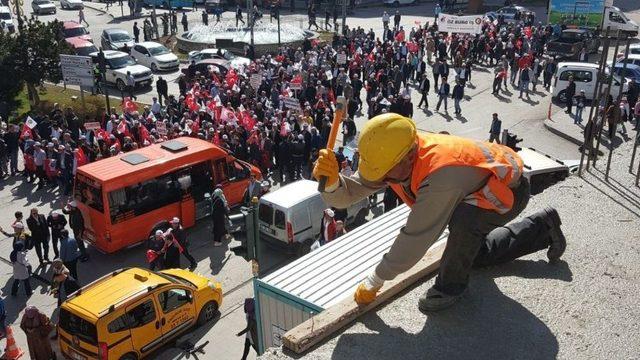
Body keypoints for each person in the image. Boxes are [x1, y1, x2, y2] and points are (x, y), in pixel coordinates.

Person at [312, 113, 567, 311]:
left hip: (507, 193)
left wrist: (375, 280)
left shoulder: (440, 174)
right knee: (472, 254)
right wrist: (333, 184)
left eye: (387, 174)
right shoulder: (396, 155)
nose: (384, 180)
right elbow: (356, 189)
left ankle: (450, 288)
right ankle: (543, 227)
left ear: (408, 158)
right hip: (475, 190)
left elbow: (416, 237)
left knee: (464, 225)